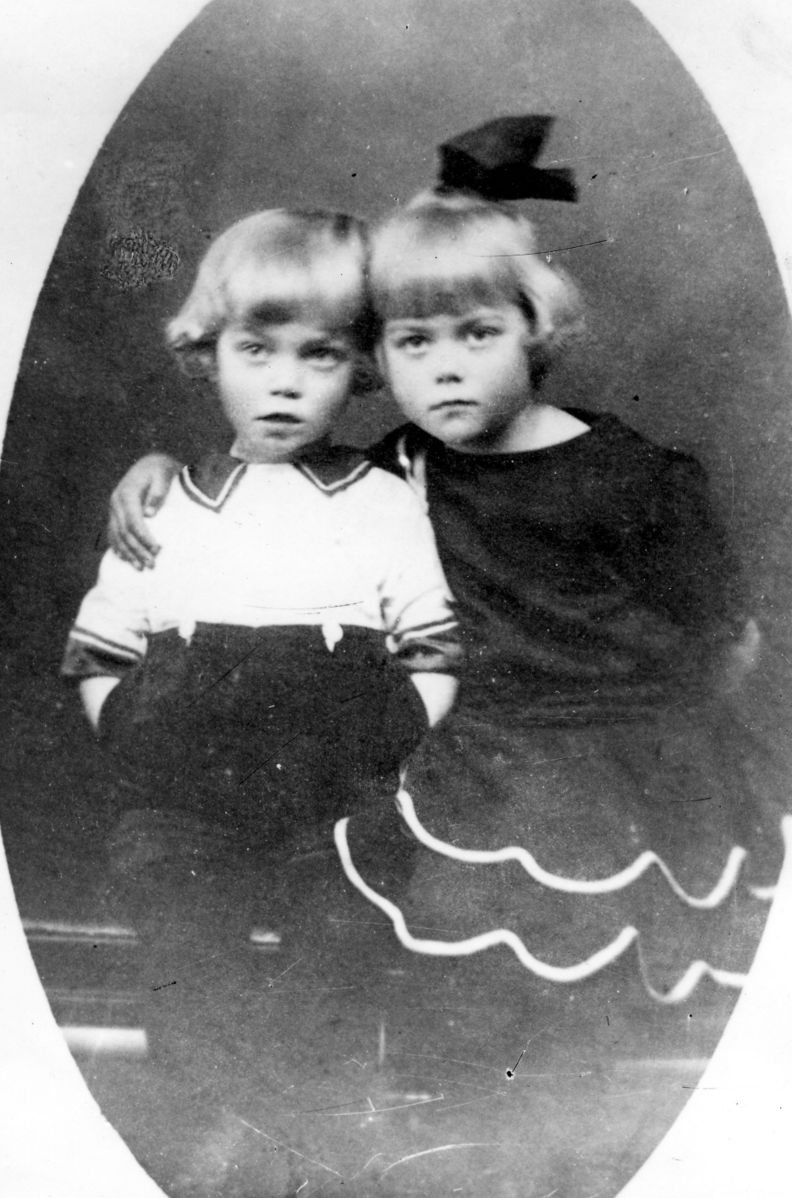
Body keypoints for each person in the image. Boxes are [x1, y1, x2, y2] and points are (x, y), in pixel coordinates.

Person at [104, 125, 784, 1012]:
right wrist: (158, 467)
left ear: (534, 328)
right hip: (480, 755)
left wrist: (655, 742)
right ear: (378, 357)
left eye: (478, 333)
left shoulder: (636, 477)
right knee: (404, 942)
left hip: (627, 757)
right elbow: (283, 482)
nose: (448, 368)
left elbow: (729, 642)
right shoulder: (401, 466)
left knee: (590, 975)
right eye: (414, 342)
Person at [63, 206, 460, 877]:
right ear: (210, 353)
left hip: (336, 804)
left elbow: (434, 648)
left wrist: (383, 743)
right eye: (255, 349)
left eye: (320, 354)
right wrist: (137, 740)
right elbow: (100, 648)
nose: (285, 382)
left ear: (361, 365)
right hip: (186, 805)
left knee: (347, 901)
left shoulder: (385, 501)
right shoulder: (164, 503)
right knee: (167, 886)